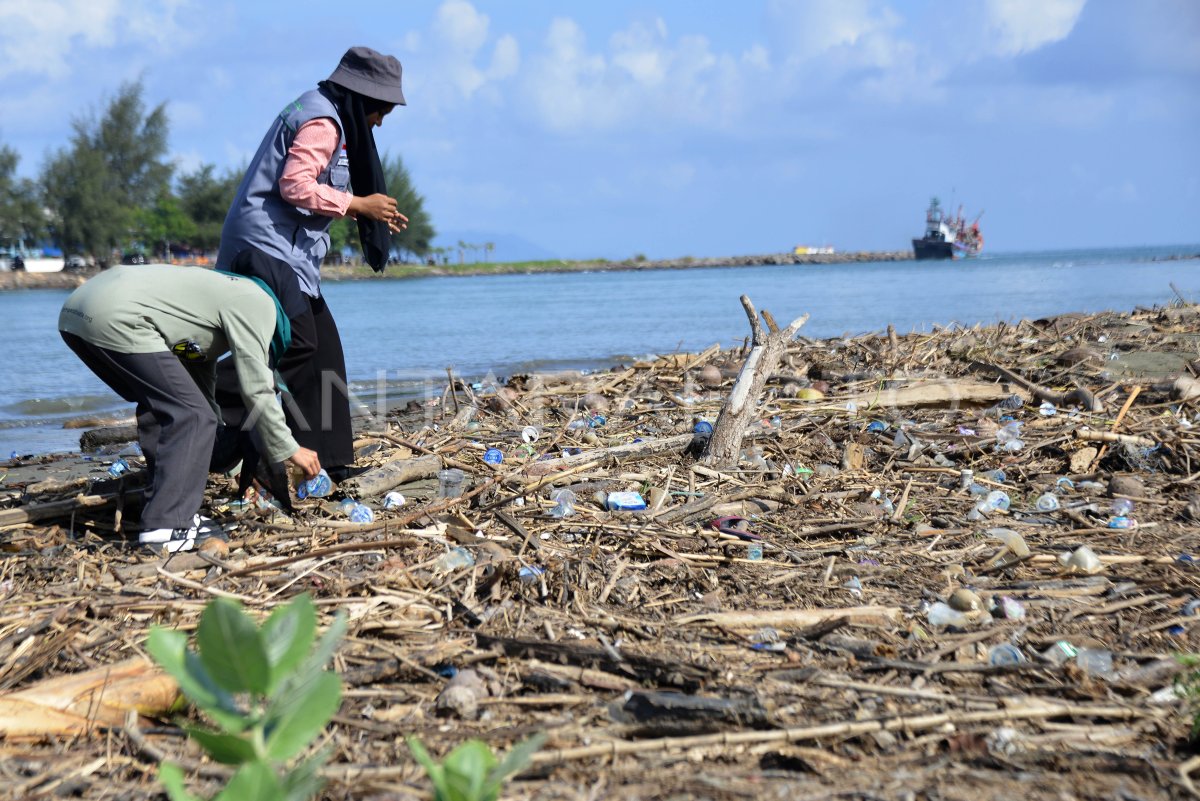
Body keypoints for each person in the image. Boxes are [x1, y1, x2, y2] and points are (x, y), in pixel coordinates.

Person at [214, 46, 409, 482]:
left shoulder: (323, 110)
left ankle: (330, 462)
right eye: (380, 113)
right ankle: (209, 398)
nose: (378, 123)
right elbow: (294, 186)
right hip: (265, 248)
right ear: (362, 102)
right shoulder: (322, 122)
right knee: (295, 345)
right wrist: (357, 203)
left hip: (289, 255)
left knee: (324, 352)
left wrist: (364, 209)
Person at [59, 264, 321, 552]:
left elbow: (199, 388)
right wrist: (289, 449)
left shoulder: (209, 308)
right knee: (191, 416)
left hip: (75, 314)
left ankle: (164, 507)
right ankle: (166, 526)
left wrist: (231, 465)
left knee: (165, 409)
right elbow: (256, 388)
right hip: (116, 315)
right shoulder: (259, 302)